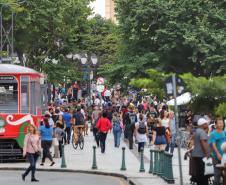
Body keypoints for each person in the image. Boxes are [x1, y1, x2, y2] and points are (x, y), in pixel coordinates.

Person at [192, 118, 209, 185]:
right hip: (200, 154)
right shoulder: (202, 132)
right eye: (206, 124)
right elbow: (203, 142)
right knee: (202, 171)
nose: (207, 125)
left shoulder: (197, 131)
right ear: (202, 124)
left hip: (196, 154)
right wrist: (206, 153)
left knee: (198, 171)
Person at [210, 118, 226, 185]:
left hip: (224, 157)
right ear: (216, 125)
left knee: (224, 175)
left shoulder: (224, 133)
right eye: (219, 123)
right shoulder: (213, 134)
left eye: (222, 123)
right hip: (216, 157)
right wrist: (218, 154)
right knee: (217, 175)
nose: (221, 124)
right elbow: (213, 145)